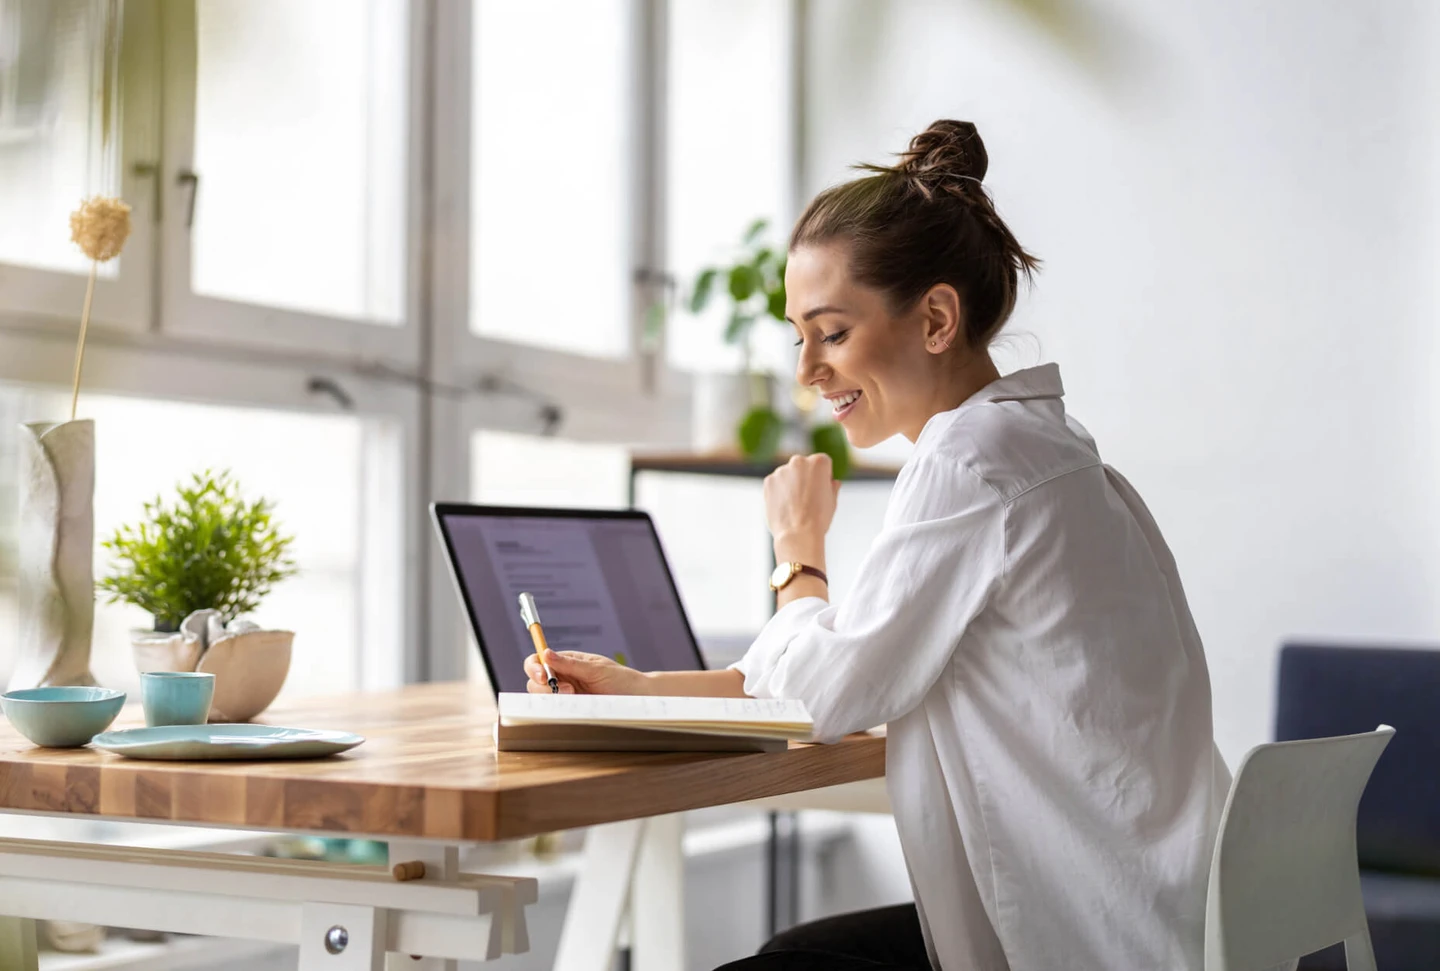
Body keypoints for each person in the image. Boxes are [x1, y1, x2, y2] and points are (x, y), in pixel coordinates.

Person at [524, 119, 1230, 971]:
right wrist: (640, 688)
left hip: (1084, 937)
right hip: (1155, 916)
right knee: (794, 953)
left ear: (935, 318)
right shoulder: (1048, 448)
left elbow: (823, 694)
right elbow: (852, 663)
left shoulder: (972, 463)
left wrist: (798, 549)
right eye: (800, 336)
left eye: (832, 332)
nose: (808, 373)